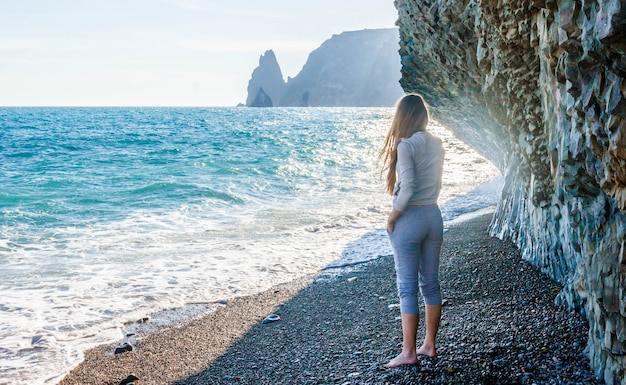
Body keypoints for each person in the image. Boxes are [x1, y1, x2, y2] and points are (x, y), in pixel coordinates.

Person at [378, 93, 445, 368]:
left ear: (402, 117)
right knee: (430, 283)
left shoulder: (406, 145)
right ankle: (429, 345)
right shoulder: (438, 143)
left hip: (411, 218)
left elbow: (408, 187)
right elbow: (435, 183)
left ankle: (408, 352)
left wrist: (393, 217)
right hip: (433, 215)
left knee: (407, 288)